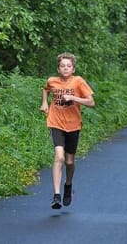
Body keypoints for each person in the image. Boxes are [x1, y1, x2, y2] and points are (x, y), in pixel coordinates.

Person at [40, 52, 95, 209]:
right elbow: (45, 89)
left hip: (73, 125)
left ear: (73, 68)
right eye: (62, 66)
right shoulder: (52, 81)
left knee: (69, 161)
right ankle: (56, 195)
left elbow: (91, 102)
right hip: (55, 122)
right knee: (59, 157)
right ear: (58, 68)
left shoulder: (78, 81)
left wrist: (74, 98)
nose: (65, 68)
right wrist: (44, 103)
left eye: (68, 66)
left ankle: (68, 185)